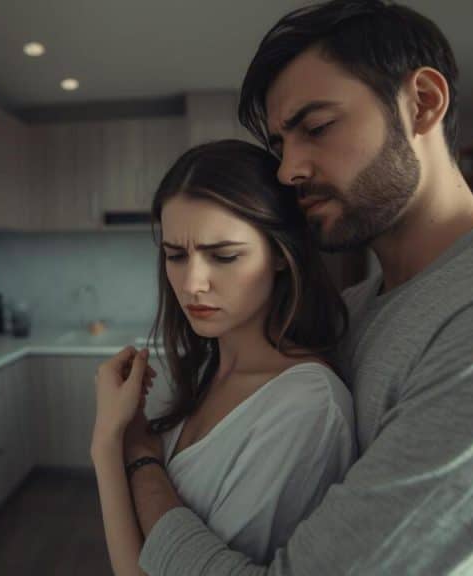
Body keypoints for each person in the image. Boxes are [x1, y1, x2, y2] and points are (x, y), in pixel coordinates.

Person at [121, 1, 473, 574]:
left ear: (422, 103)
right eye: (279, 146)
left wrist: (142, 464)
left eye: (317, 128)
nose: (288, 170)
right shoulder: (356, 308)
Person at [90, 139, 358, 576]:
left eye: (224, 256)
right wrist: (115, 438)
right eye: (176, 255)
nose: (193, 283)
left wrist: (114, 446)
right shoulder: (208, 367)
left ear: (279, 254)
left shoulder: (306, 406)